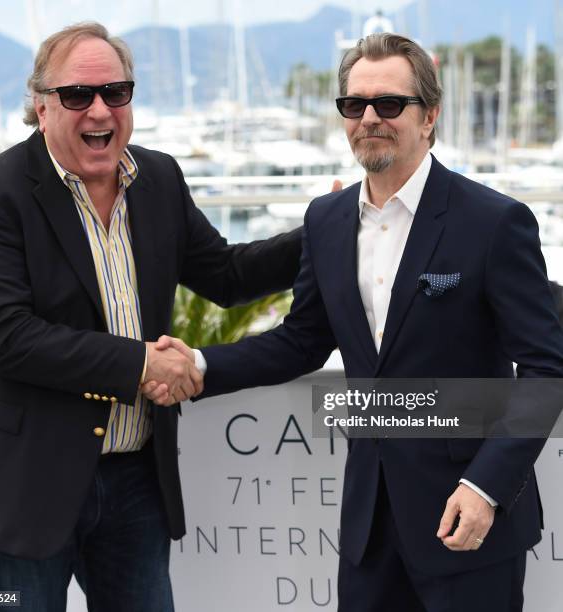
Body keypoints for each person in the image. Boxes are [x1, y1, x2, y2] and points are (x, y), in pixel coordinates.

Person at [146, 33, 563, 611]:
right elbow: (303, 340)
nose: (370, 118)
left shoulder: (494, 222)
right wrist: (198, 364)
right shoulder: (326, 219)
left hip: (468, 520)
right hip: (368, 527)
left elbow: (545, 367)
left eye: (389, 104)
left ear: (429, 115)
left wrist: (486, 486)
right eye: (354, 105)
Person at [0, 22, 302, 612]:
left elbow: (226, 275)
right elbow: (0, 339)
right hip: (22, 487)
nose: (99, 110)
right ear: (40, 106)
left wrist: (328, 229)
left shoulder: (159, 178)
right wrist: (142, 362)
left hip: (136, 480)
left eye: (115, 92)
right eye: (77, 95)